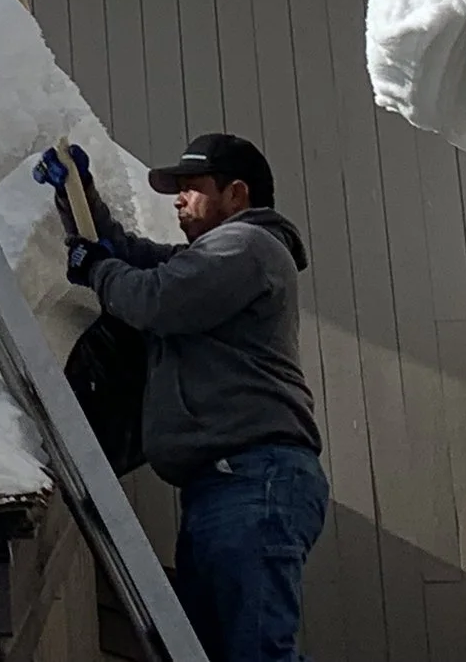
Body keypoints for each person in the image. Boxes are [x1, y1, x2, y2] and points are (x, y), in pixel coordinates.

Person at [54, 132, 326, 662]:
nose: (178, 199)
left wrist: (96, 269)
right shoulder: (217, 256)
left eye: (191, 187)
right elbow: (137, 259)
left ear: (236, 194)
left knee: (255, 653)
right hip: (226, 486)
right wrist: (78, 198)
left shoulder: (246, 247)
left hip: (252, 479)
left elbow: (157, 299)